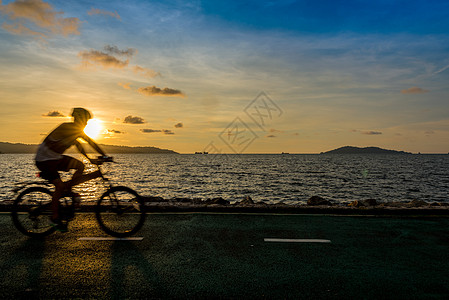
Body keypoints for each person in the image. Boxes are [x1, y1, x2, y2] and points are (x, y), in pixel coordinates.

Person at [35, 107, 109, 232]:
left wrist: (90, 159)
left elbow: (79, 146)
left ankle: (68, 189)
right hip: (45, 160)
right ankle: (54, 218)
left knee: (80, 166)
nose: (86, 124)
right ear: (79, 119)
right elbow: (90, 142)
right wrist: (104, 155)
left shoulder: (75, 132)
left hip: (55, 158)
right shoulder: (68, 127)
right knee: (59, 186)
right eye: (85, 121)